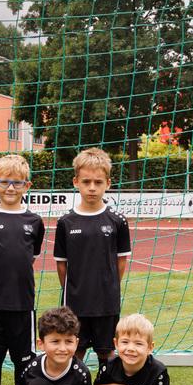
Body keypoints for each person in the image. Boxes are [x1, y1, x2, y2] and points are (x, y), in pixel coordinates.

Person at [0, 154, 46, 385]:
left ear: (27, 186)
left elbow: (30, 257)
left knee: (24, 358)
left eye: (17, 182)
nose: (11, 188)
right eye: (4, 182)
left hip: (23, 303)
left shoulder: (35, 221)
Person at [53, 147, 131, 363]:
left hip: (107, 302)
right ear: (76, 181)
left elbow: (121, 261)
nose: (92, 188)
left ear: (108, 183)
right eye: (86, 182)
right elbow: (62, 265)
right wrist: (74, 290)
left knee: (106, 352)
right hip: (75, 303)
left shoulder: (117, 220)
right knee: (74, 352)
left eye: (98, 182)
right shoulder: (65, 222)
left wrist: (108, 285)